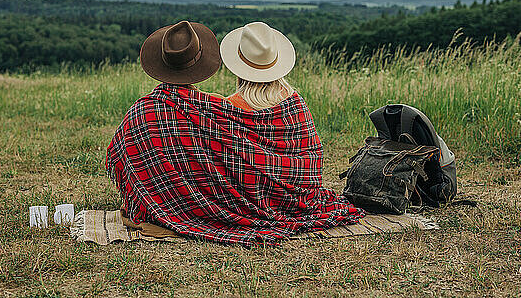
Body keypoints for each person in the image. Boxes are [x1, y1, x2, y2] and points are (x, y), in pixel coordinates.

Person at [106, 20, 364, 246]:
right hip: (298, 196)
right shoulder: (297, 106)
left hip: (207, 203)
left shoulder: (219, 110)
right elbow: (308, 160)